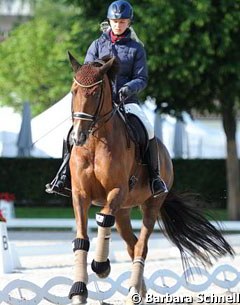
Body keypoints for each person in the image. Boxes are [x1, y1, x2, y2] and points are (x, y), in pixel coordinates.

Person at [45, 0, 168, 197]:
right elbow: (87, 73)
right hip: (98, 104)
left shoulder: (137, 49)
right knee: (69, 133)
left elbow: (142, 78)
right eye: (115, 21)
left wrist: (128, 88)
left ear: (129, 23)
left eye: (123, 22)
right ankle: (63, 176)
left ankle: (154, 178)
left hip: (126, 101)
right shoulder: (97, 45)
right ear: (109, 21)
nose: (118, 25)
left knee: (149, 129)